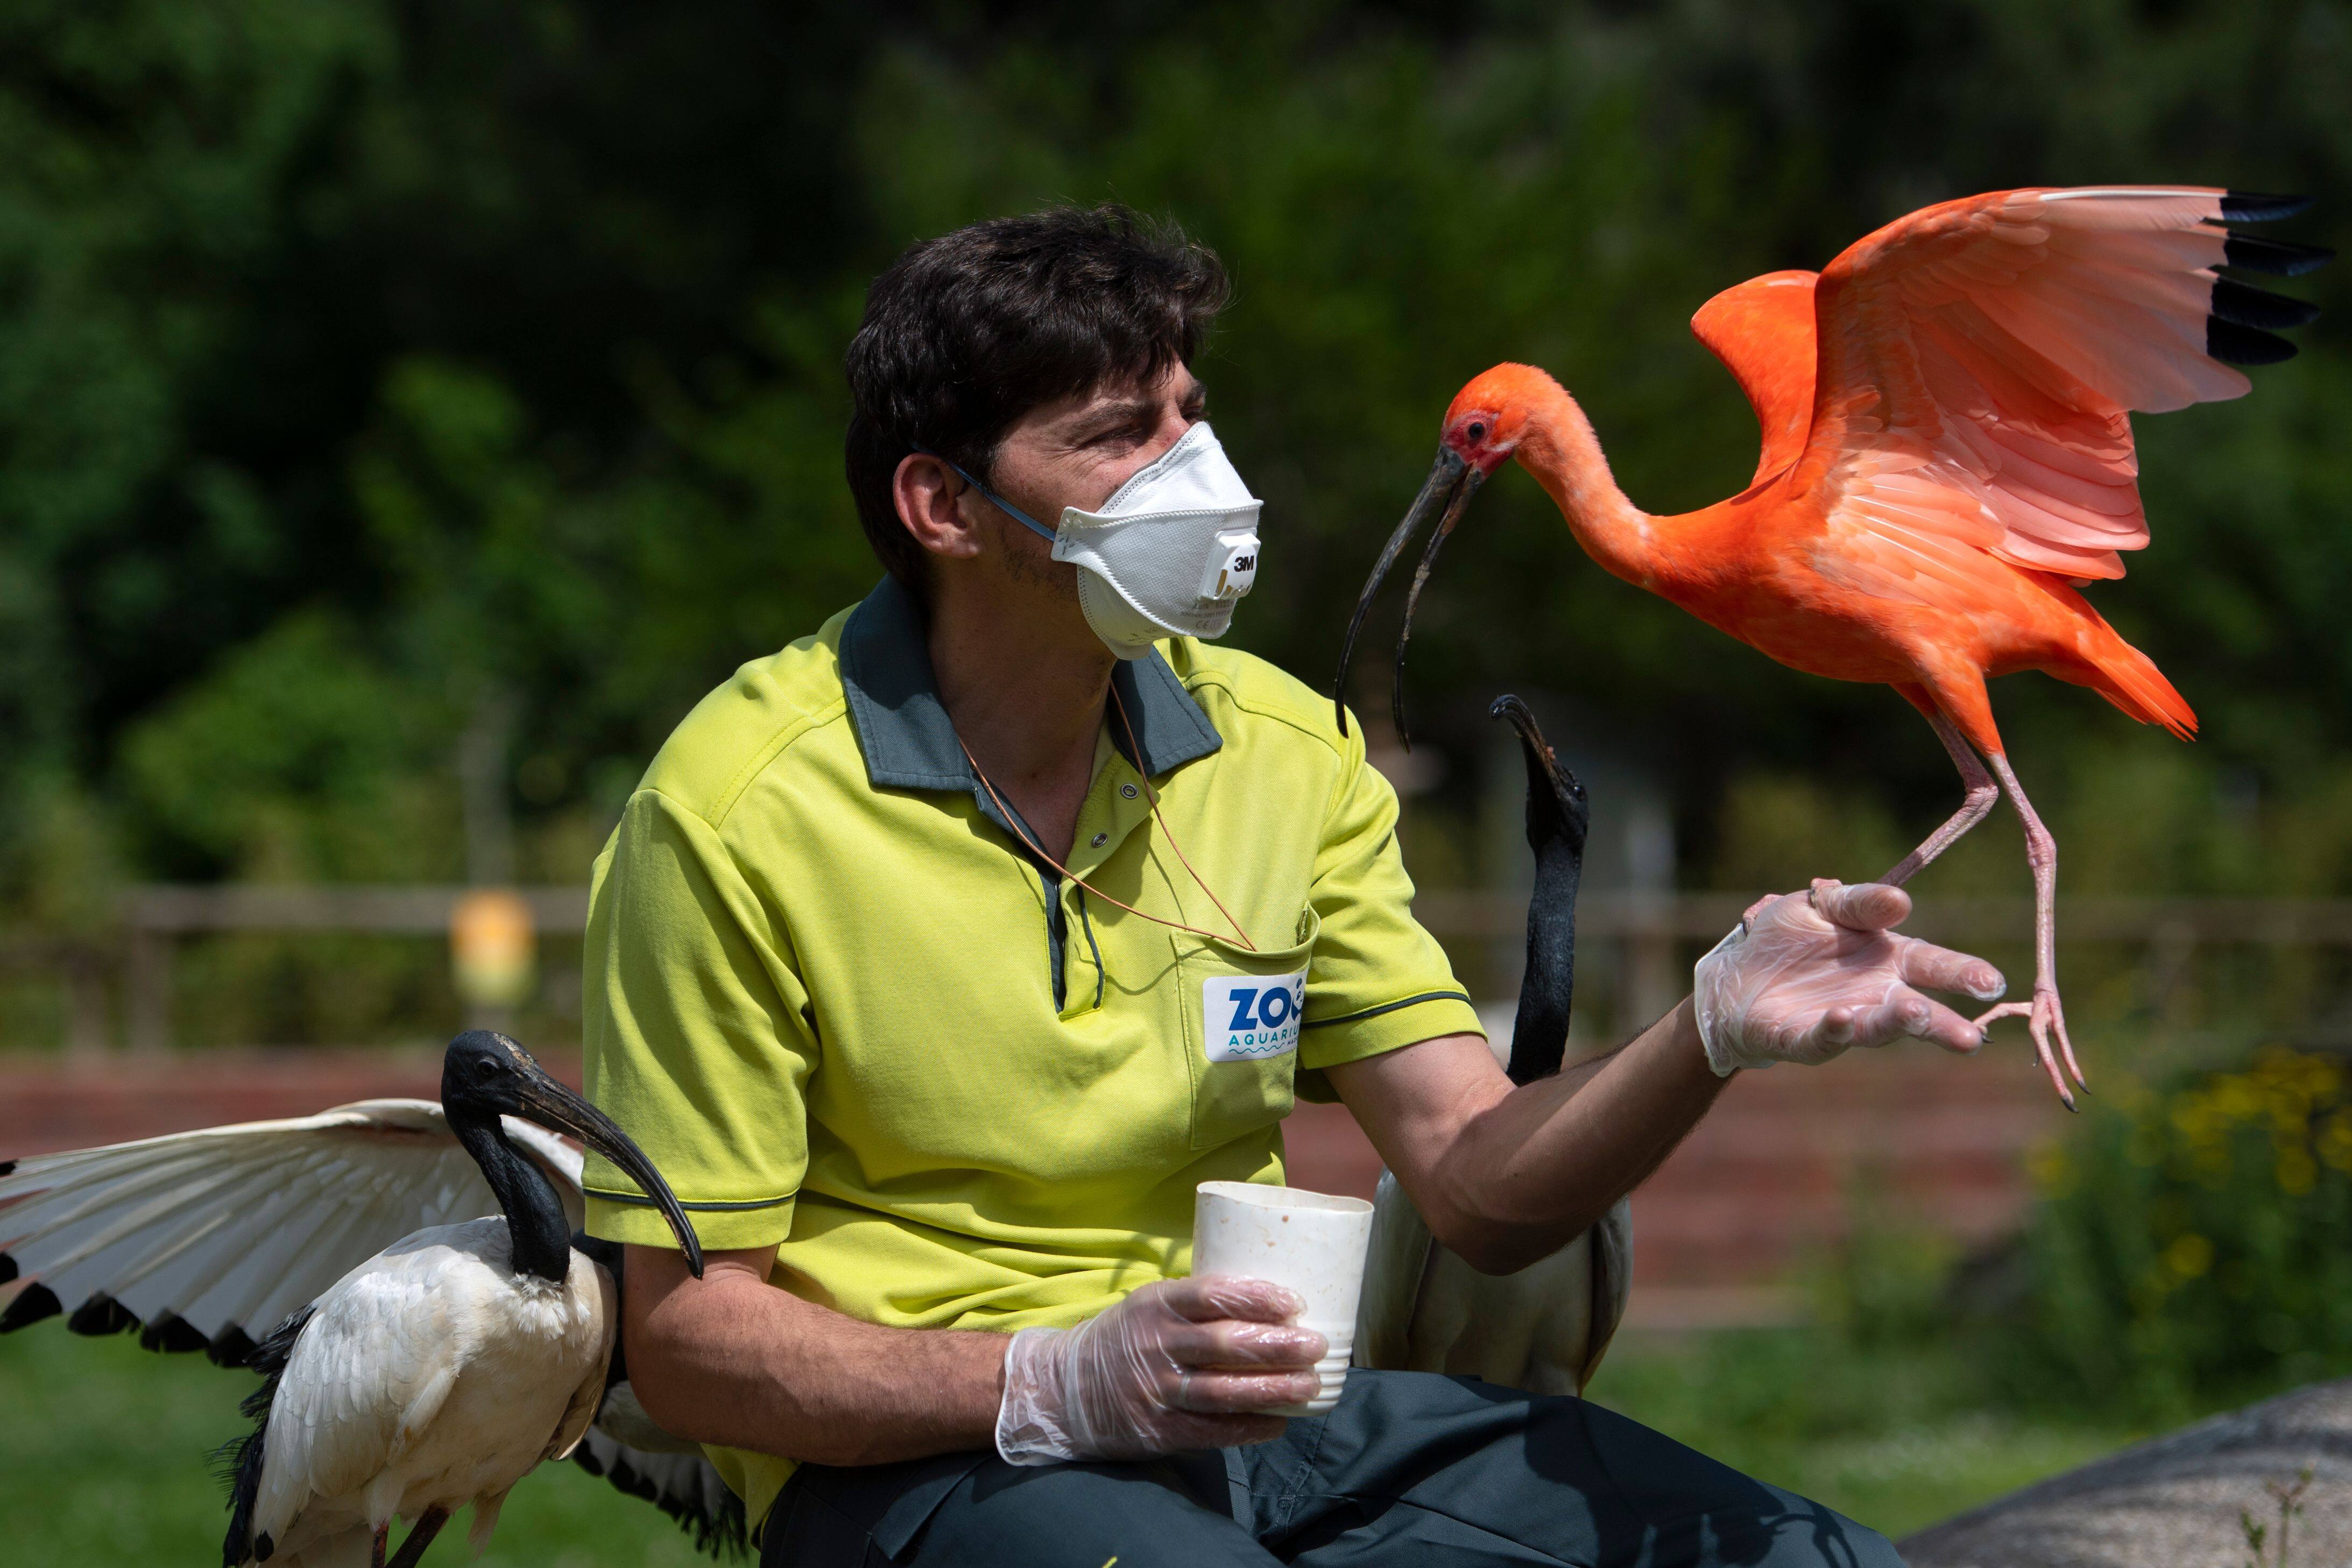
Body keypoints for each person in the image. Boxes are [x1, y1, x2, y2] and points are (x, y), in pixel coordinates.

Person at [583, 206, 2005, 1567]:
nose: (1191, 466)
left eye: (1187, 411)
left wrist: (1708, 1025)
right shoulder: (733, 813)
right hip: (914, 1473)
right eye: (1116, 434)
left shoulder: (1287, 753)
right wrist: (1051, 1380)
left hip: (1257, 1427)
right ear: (943, 505)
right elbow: (691, 1341)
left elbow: (1474, 1182)